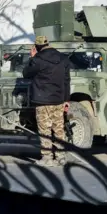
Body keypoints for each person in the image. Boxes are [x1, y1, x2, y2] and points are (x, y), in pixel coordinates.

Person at [22, 35, 71, 167]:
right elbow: (67, 81)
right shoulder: (63, 58)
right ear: (48, 43)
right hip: (59, 100)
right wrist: (67, 100)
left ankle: (47, 158)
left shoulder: (38, 59)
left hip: (42, 101)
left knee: (45, 130)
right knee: (59, 129)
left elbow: (26, 73)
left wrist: (32, 58)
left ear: (37, 47)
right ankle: (61, 157)